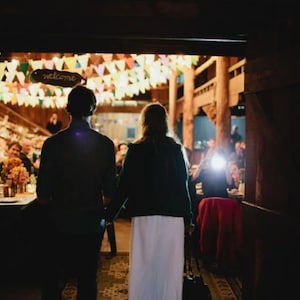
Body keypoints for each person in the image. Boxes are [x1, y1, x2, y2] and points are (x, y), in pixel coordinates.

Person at [106, 102, 193, 300]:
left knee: (143, 267)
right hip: (172, 217)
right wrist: (188, 219)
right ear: (165, 122)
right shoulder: (175, 149)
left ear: (144, 123)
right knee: (168, 269)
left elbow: (125, 186)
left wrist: (110, 214)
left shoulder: (136, 150)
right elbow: (183, 186)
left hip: (144, 216)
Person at [36, 85, 116, 300]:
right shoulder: (106, 145)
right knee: (88, 278)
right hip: (92, 222)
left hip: (58, 223)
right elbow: (110, 192)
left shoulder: (52, 144)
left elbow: (42, 194)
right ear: (93, 109)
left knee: (54, 280)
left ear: (67, 109)